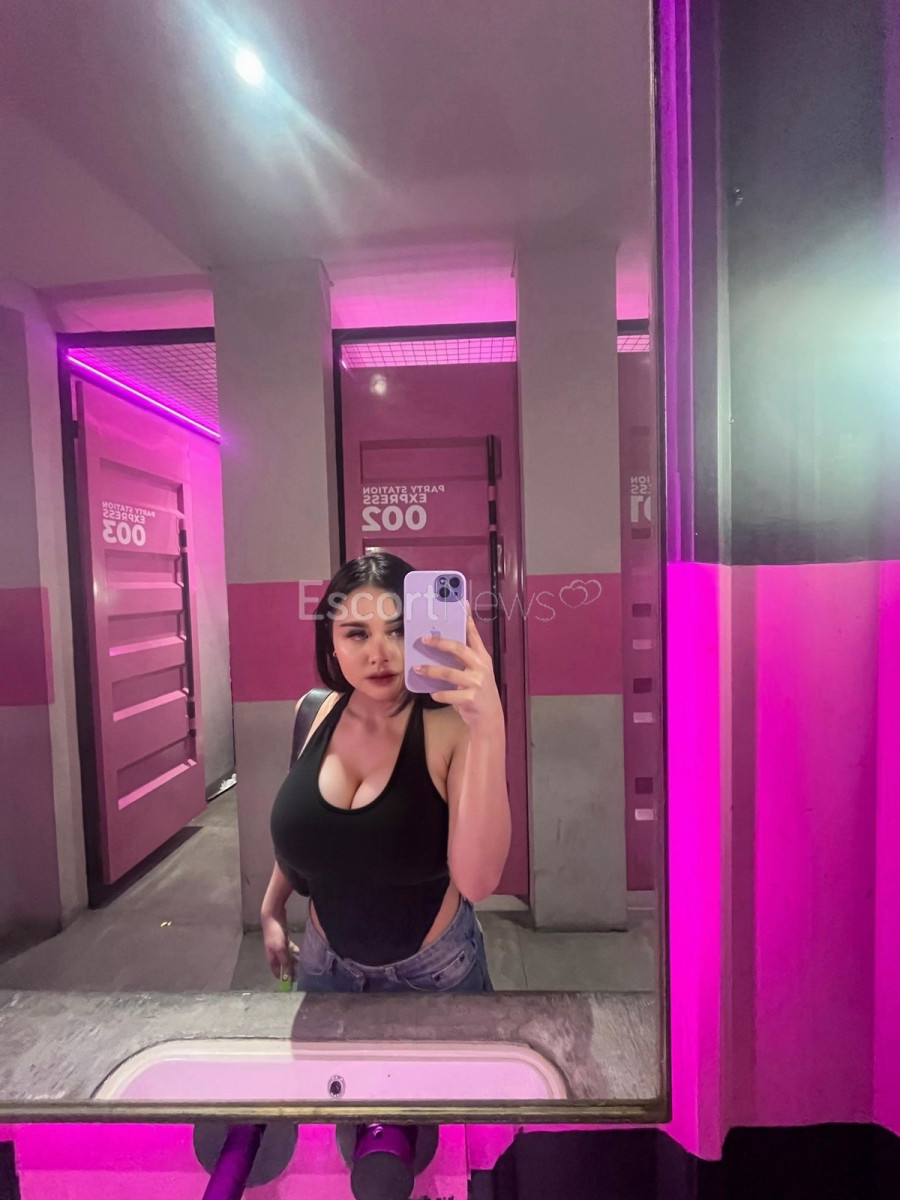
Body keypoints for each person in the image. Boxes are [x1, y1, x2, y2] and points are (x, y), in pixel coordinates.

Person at [262, 551, 511, 993]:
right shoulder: (314, 711)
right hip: (321, 966)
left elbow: (477, 882)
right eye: (357, 634)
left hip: (433, 977)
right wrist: (271, 906)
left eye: (399, 631)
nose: (380, 654)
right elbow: (307, 826)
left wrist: (490, 724)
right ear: (331, 642)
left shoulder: (453, 727)